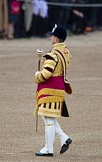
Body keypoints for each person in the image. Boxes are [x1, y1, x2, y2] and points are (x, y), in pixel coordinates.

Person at [34, 25, 72, 157]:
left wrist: (37, 75)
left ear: (56, 39)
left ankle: (48, 149)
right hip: (59, 89)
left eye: (52, 36)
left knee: (48, 119)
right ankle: (64, 138)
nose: (51, 38)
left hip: (50, 91)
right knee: (48, 116)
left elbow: (46, 74)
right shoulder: (66, 51)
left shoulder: (53, 54)